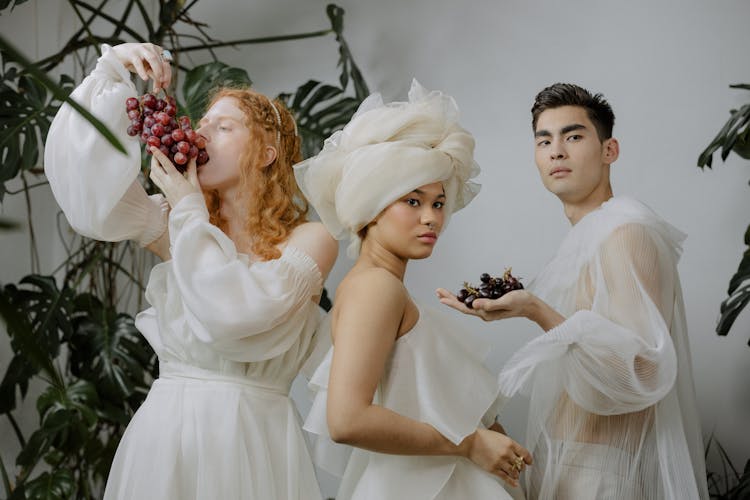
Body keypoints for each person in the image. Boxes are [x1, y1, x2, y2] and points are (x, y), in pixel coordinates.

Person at [43, 42, 338, 500]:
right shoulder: (173, 220)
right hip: (169, 437)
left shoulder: (310, 240)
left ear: (265, 154)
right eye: (201, 125)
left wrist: (188, 211)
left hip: (256, 440)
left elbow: (235, 314)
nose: (201, 135)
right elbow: (86, 198)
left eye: (224, 127)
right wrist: (114, 68)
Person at [437, 83, 709, 499]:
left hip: (602, 475)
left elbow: (643, 372)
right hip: (566, 464)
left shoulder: (625, 234)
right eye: (544, 140)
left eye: (574, 136)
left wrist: (534, 310)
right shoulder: (589, 237)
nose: (556, 151)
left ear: (609, 151)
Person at [296, 80, 531, 500]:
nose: (431, 218)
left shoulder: (376, 285)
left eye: (439, 203)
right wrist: (471, 442)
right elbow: (346, 419)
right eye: (412, 201)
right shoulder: (376, 288)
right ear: (372, 203)